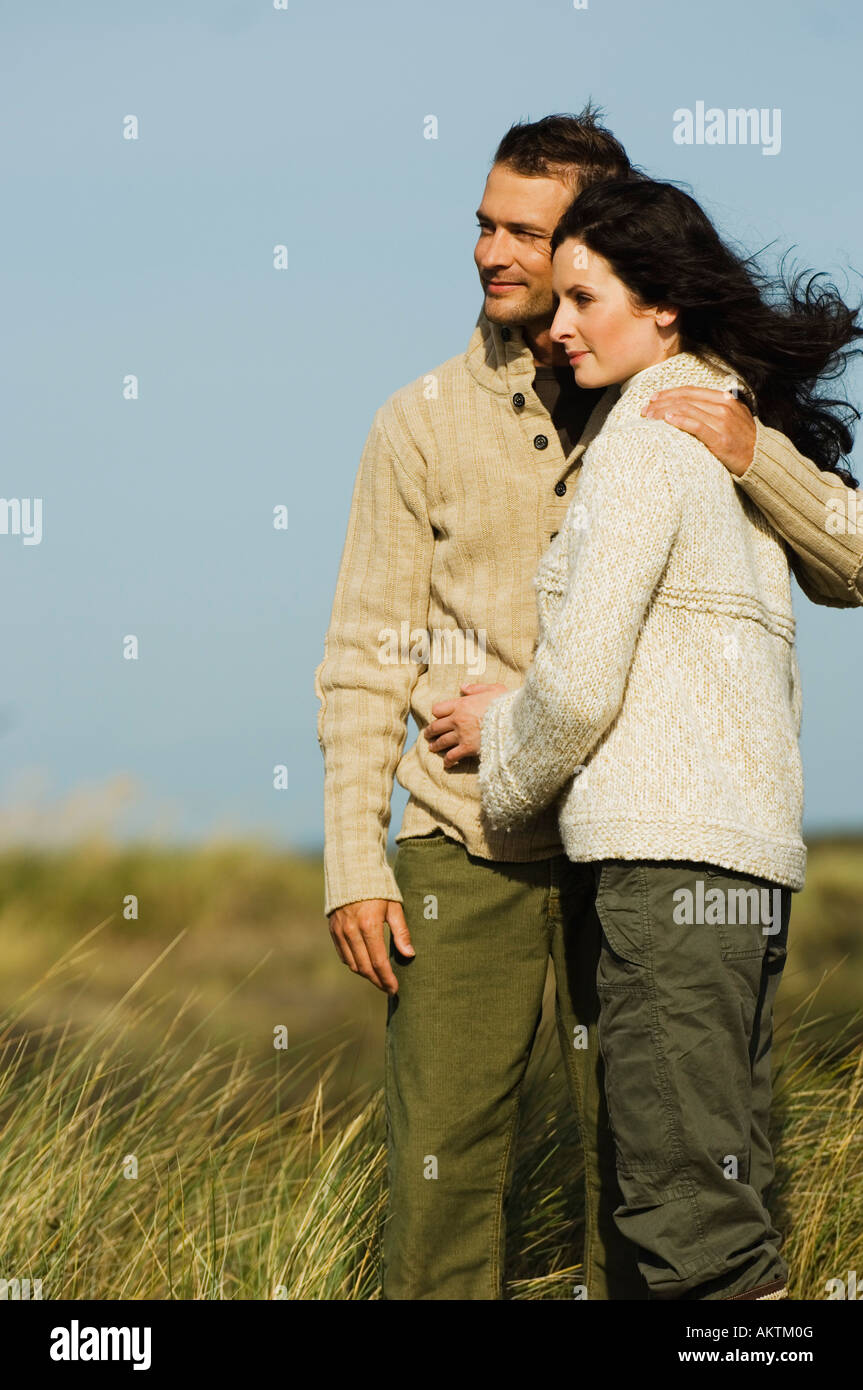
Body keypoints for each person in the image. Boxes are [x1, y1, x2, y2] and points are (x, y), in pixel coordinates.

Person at [314, 108, 863, 1301]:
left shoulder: (669, 403)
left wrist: (752, 447)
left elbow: (850, 562)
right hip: (471, 834)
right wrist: (352, 856)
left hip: (632, 837)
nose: (492, 254)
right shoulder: (417, 422)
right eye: (482, 225)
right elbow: (365, 652)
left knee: (650, 1170)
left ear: (602, 248)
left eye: (529, 232)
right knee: (445, 1165)